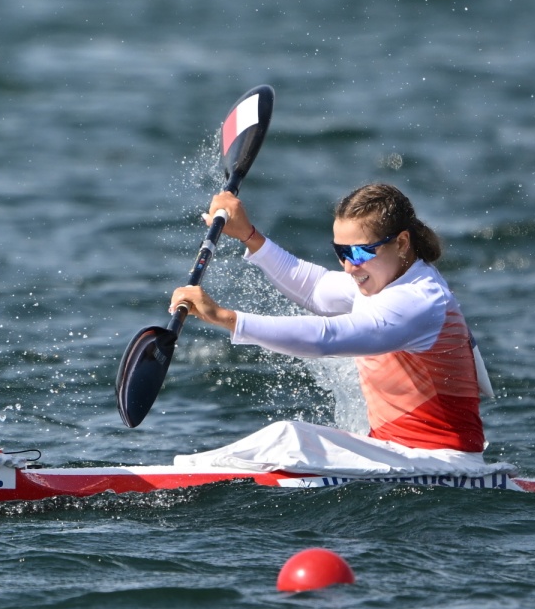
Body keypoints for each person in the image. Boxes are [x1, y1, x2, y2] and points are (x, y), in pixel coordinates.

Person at [170, 183, 492, 453]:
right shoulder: (383, 279)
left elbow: (327, 338)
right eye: (341, 252)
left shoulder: (418, 300)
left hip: (442, 462)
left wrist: (226, 318)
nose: (349, 267)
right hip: (396, 455)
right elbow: (314, 286)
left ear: (402, 243)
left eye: (360, 252)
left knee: (290, 438)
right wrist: (249, 235)